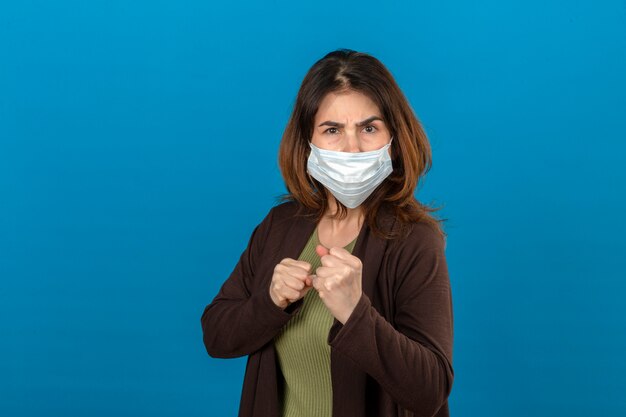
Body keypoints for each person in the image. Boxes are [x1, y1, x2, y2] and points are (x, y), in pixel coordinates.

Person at [200, 48, 454, 417]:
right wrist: (269, 302)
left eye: (369, 128)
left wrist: (355, 311)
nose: (351, 148)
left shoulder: (414, 241)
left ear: (394, 139)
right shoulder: (281, 225)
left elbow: (430, 390)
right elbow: (216, 336)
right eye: (332, 130)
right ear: (307, 142)